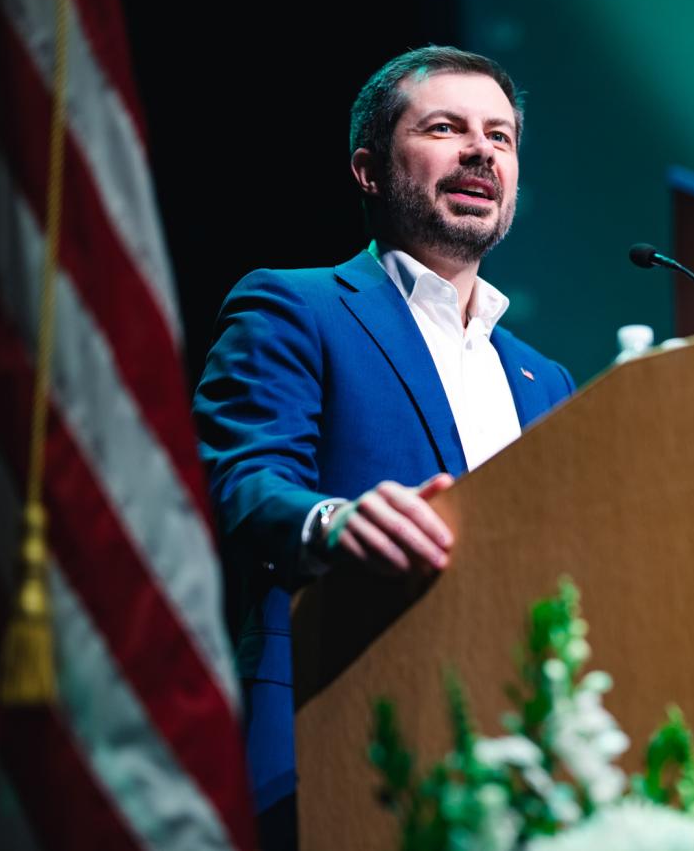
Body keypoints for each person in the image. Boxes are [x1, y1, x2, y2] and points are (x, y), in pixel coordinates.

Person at [192, 46, 575, 849]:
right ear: (369, 169)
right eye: (446, 128)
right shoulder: (294, 307)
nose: (481, 151)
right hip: (335, 732)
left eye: (500, 138)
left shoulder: (548, 379)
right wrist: (332, 522)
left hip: (514, 764)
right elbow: (237, 478)